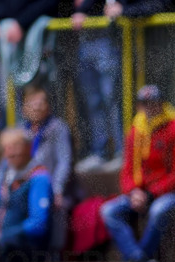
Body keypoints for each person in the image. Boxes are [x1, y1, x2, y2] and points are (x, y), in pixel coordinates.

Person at [100, 85, 175, 262]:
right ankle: (137, 258)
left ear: (162, 104)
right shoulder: (136, 131)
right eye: (144, 104)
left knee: (158, 210)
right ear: (139, 107)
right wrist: (133, 192)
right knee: (108, 211)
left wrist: (151, 194)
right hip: (141, 193)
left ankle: (140, 259)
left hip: (171, 193)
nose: (149, 108)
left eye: (153, 103)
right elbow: (127, 170)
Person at [71, 0, 125, 171]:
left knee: (112, 99)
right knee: (93, 102)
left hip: (107, 35)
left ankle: (120, 152)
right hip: (83, 38)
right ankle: (99, 152)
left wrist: (83, 9)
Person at [0, 128, 52, 260]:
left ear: (29, 147)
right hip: (3, 243)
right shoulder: (7, 175)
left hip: (27, 248)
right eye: (7, 147)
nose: (11, 152)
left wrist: (3, 235)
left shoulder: (39, 177)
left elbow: (38, 224)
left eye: (16, 146)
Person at [19, 86, 72, 211]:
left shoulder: (58, 128)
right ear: (23, 109)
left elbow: (64, 161)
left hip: (48, 186)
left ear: (49, 107)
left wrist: (57, 189)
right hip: (23, 186)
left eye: (41, 102)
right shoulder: (19, 131)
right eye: (32, 103)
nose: (37, 107)